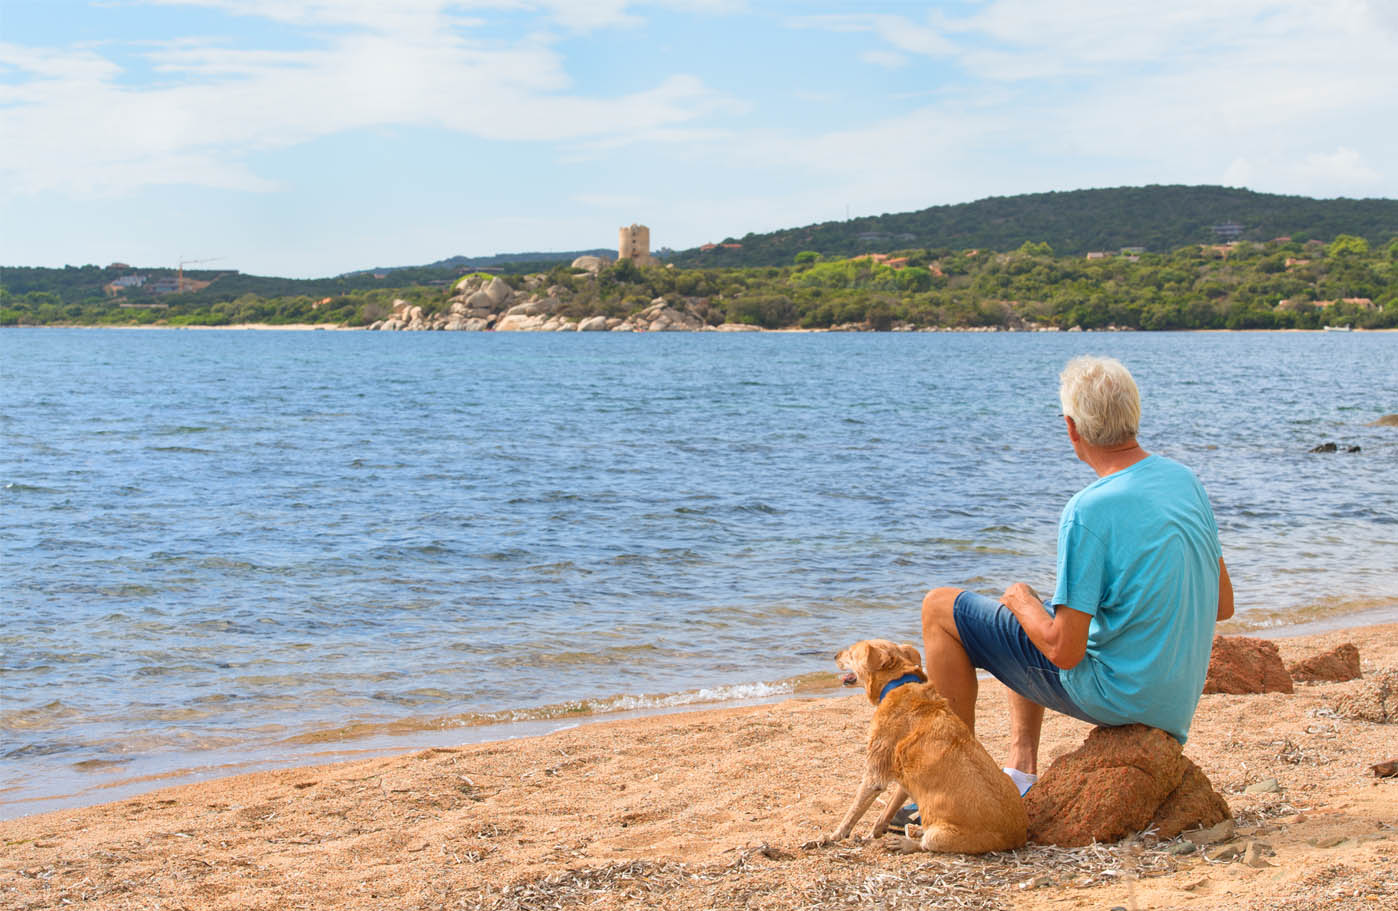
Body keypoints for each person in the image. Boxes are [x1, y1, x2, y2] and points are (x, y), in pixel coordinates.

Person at [921, 355, 1234, 796]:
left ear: (1072, 428)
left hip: (1121, 698)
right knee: (1043, 614)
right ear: (1134, 415)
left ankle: (953, 789)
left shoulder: (1088, 509)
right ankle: (1021, 768)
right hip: (1174, 704)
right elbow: (1222, 605)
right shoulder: (1185, 482)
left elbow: (1063, 652)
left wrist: (1021, 601)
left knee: (940, 607)